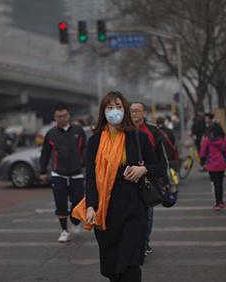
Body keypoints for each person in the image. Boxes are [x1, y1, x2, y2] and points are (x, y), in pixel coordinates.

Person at [72, 91, 157, 282]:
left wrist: (142, 170)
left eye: (118, 106)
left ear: (125, 110)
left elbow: (155, 166)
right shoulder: (94, 141)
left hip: (133, 206)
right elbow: (91, 176)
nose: (114, 111)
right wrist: (91, 206)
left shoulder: (137, 137)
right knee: (112, 267)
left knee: (131, 264)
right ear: (103, 112)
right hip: (105, 210)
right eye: (109, 107)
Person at [40, 103, 87, 243]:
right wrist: (43, 171)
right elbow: (45, 153)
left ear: (69, 115)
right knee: (60, 204)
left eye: (64, 115)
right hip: (58, 174)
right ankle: (64, 231)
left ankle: (75, 219)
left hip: (77, 174)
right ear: (55, 117)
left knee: (78, 201)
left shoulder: (78, 131)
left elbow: (85, 149)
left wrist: (85, 164)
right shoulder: (51, 133)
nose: (62, 118)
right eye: (59, 116)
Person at [130, 102, 168, 257]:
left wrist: (166, 181)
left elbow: (162, 158)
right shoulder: (124, 131)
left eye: (137, 111)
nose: (134, 114)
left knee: (148, 214)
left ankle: (144, 243)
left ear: (144, 113)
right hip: (128, 180)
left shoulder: (153, 131)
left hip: (149, 179)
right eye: (131, 111)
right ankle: (134, 243)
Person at [199, 122, 226, 211]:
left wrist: (202, 161)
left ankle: (217, 202)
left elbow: (202, 152)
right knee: (220, 183)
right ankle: (220, 201)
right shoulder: (224, 140)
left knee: (214, 183)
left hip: (211, 165)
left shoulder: (207, 140)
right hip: (222, 164)